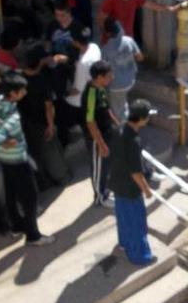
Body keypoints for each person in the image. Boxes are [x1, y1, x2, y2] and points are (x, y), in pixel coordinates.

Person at [0, 72, 55, 247]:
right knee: (30, 197)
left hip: (2, 157)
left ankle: (16, 225)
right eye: (21, 90)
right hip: (16, 158)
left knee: (11, 190)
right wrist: (7, 141)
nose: (24, 92)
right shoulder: (10, 113)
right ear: (13, 93)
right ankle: (33, 235)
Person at [107, 100, 158, 265]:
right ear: (142, 119)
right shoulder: (134, 141)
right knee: (136, 222)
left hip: (117, 182)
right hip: (130, 189)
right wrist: (147, 190)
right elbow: (136, 173)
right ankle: (139, 256)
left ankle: (124, 244)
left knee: (123, 217)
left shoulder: (119, 129)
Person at [18, 46, 70, 189]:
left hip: (27, 121)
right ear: (40, 62)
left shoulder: (20, 77)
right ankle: (62, 177)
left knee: (35, 152)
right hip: (43, 123)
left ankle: (43, 181)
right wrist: (51, 125)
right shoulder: (41, 81)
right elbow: (48, 107)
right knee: (51, 151)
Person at [98, 0, 179, 44]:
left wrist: (169, 8)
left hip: (128, 41)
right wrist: (108, 33)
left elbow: (151, 5)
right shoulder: (111, 0)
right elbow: (101, 18)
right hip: (112, 42)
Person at [82, 60, 117, 208]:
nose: (112, 78)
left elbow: (106, 108)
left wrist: (115, 121)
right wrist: (101, 144)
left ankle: (106, 189)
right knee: (98, 168)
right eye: (109, 76)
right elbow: (90, 122)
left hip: (108, 131)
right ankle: (100, 197)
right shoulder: (90, 94)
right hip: (97, 137)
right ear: (99, 77)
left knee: (107, 164)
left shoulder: (101, 88)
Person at [56, 29, 101, 144]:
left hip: (78, 102)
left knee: (62, 118)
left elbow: (77, 90)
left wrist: (63, 94)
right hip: (93, 93)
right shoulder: (94, 47)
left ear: (76, 42)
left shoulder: (83, 64)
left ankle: (66, 142)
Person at [101, 17, 143, 123]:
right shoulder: (129, 40)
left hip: (116, 86)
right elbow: (140, 57)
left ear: (108, 33)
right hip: (130, 79)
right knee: (122, 101)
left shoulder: (105, 49)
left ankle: (123, 129)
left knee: (118, 111)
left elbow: (104, 70)